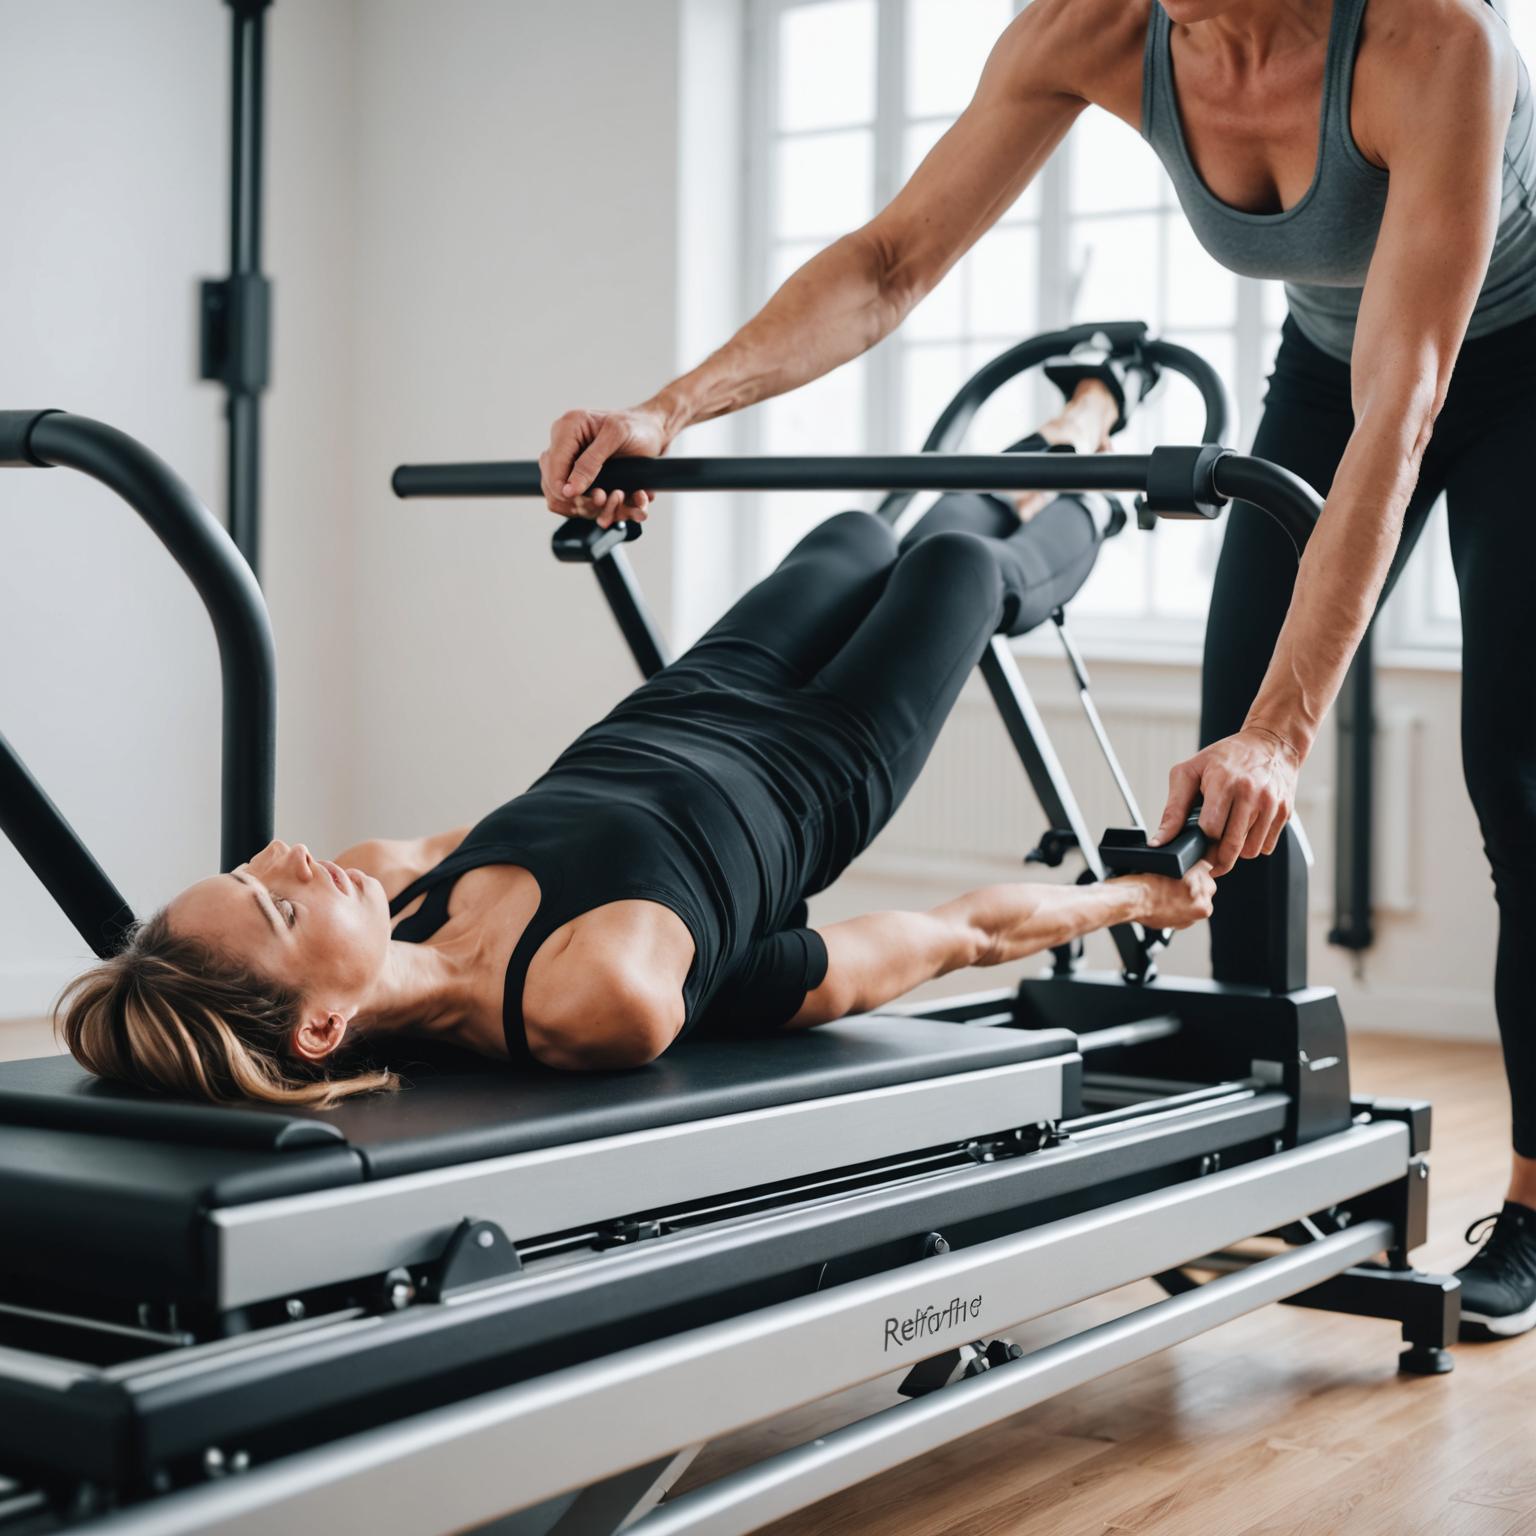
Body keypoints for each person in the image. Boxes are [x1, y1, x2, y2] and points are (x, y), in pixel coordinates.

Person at [535, 2, 1536, 1335]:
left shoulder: (1432, 45)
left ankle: (1533, 1200)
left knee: (1515, 786)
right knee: (1220, 782)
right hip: (1335, 355)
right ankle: (1264, 1140)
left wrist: (1286, 734)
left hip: (1511, 368)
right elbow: (892, 261)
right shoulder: (1095, 29)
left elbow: (1410, 400)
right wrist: (672, 406)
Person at [57, 380, 1215, 1114]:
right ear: (322, 1026)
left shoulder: (390, 881)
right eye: (275, 908)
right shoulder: (594, 998)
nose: (288, 858)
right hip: (826, 759)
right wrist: (1127, 899)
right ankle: (1094, 467)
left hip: (702, 692)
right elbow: (942, 938)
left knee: (859, 531)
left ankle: (1063, 427)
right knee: (960, 568)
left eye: (251, 871)